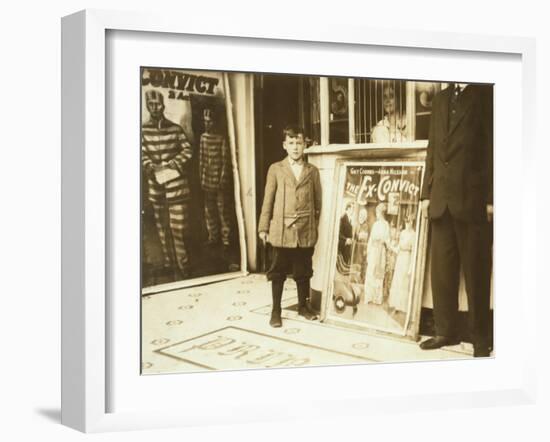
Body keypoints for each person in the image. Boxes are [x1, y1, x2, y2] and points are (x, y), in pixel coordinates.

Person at [419, 83, 493, 357]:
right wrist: (426, 194)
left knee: (477, 273)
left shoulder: (486, 95)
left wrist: (492, 198)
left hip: (472, 200)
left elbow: (493, 148)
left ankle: (481, 339)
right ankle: (445, 331)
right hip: (440, 200)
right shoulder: (439, 100)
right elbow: (432, 148)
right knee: (442, 272)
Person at [258, 125, 322, 328]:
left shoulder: (312, 171)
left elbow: (317, 203)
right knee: (277, 271)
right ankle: (276, 311)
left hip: (305, 229)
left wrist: (313, 226)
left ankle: (303, 306)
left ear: (305, 145)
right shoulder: (275, 169)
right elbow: (268, 200)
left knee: (303, 270)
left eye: (299, 143)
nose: (295, 147)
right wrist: (263, 227)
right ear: (284, 145)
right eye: (291, 143)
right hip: (281, 230)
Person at [141, 89, 193, 278]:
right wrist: (150, 167)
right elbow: (141, 153)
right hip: (156, 188)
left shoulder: (175, 128)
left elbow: (188, 150)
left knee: (178, 228)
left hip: (176, 187)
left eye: (158, 104)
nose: (155, 107)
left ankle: (184, 266)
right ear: (147, 106)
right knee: (162, 228)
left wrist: (174, 163)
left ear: (163, 105)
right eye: (151, 104)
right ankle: (169, 264)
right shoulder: (142, 130)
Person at [198, 107, 236, 269]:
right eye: (205, 121)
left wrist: (222, 180)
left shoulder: (221, 138)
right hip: (207, 181)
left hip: (219, 182)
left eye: (210, 121)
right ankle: (213, 236)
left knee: (223, 210)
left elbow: (225, 160)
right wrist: (201, 177)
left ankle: (225, 239)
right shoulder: (203, 138)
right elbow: (201, 159)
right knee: (209, 210)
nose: (207, 124)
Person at [364, 203, 391, 305]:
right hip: (374, 250)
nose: (377, 214)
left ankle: (377, 298)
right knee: (371, 271)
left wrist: (389, 245)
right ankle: (369, 296)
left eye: (378, 212)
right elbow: (371, 239)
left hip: (381, 251)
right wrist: (368, 251)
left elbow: (387, 240)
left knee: (379, 274)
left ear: (381, 213)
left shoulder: (386, 225)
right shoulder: (375, 224)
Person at [388, 217, 416, 314]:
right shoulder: (403, 233)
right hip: (400, 258)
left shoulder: (414, 235)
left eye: (410, 222)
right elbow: (399, 247)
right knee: (398, 280)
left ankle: (402, 306)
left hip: (407, 258)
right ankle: (396, 305)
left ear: (412, 222)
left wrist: (410, 267)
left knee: (404, 282)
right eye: (406, 222)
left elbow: (413, 252)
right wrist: (392, 248)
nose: (408, 224)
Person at [352, 207, 369, 282]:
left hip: (360, 247)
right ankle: (353, 277)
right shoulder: (357, 223)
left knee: (359, 262)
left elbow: (363, 237)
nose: (361, 216)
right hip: (354, 246)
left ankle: (357, 279)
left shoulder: (365, 226)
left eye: (363, 215)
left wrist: (358, 235)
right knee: (353, 261)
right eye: (361, 214)